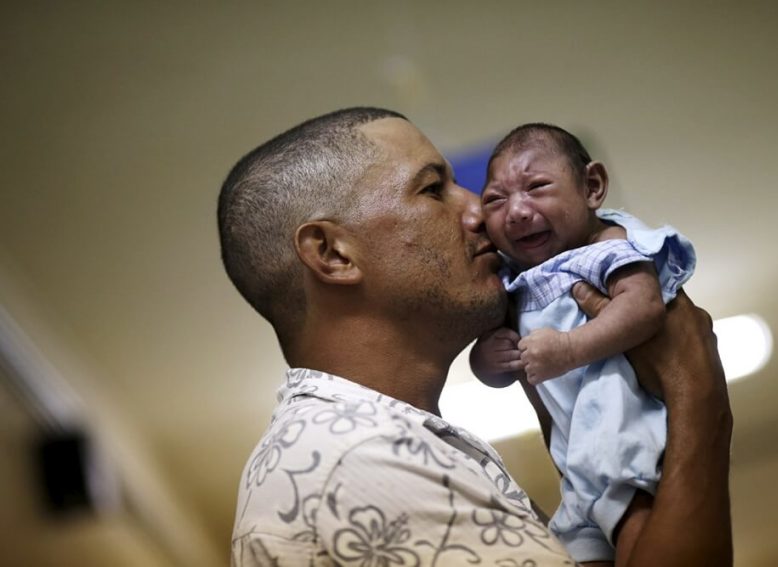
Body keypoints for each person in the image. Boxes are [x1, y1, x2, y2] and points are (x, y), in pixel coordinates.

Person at [217, 107, 733, 566]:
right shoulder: (358, 460)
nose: (479, 212)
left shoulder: (367, 447)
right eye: (433, 188)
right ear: (333, 253)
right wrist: (697, 395)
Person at [470, 123, 697, 564]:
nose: (516, 211)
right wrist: (488, 359)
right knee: (578, 547)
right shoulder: (510, 280)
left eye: (536, 187)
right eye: (495, 200)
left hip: (624, 435)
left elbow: (644, 308)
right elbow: (496, 373)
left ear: (592, 187)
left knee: (638, 531)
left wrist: (571, 349)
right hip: (576, 463)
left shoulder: (605, 247)